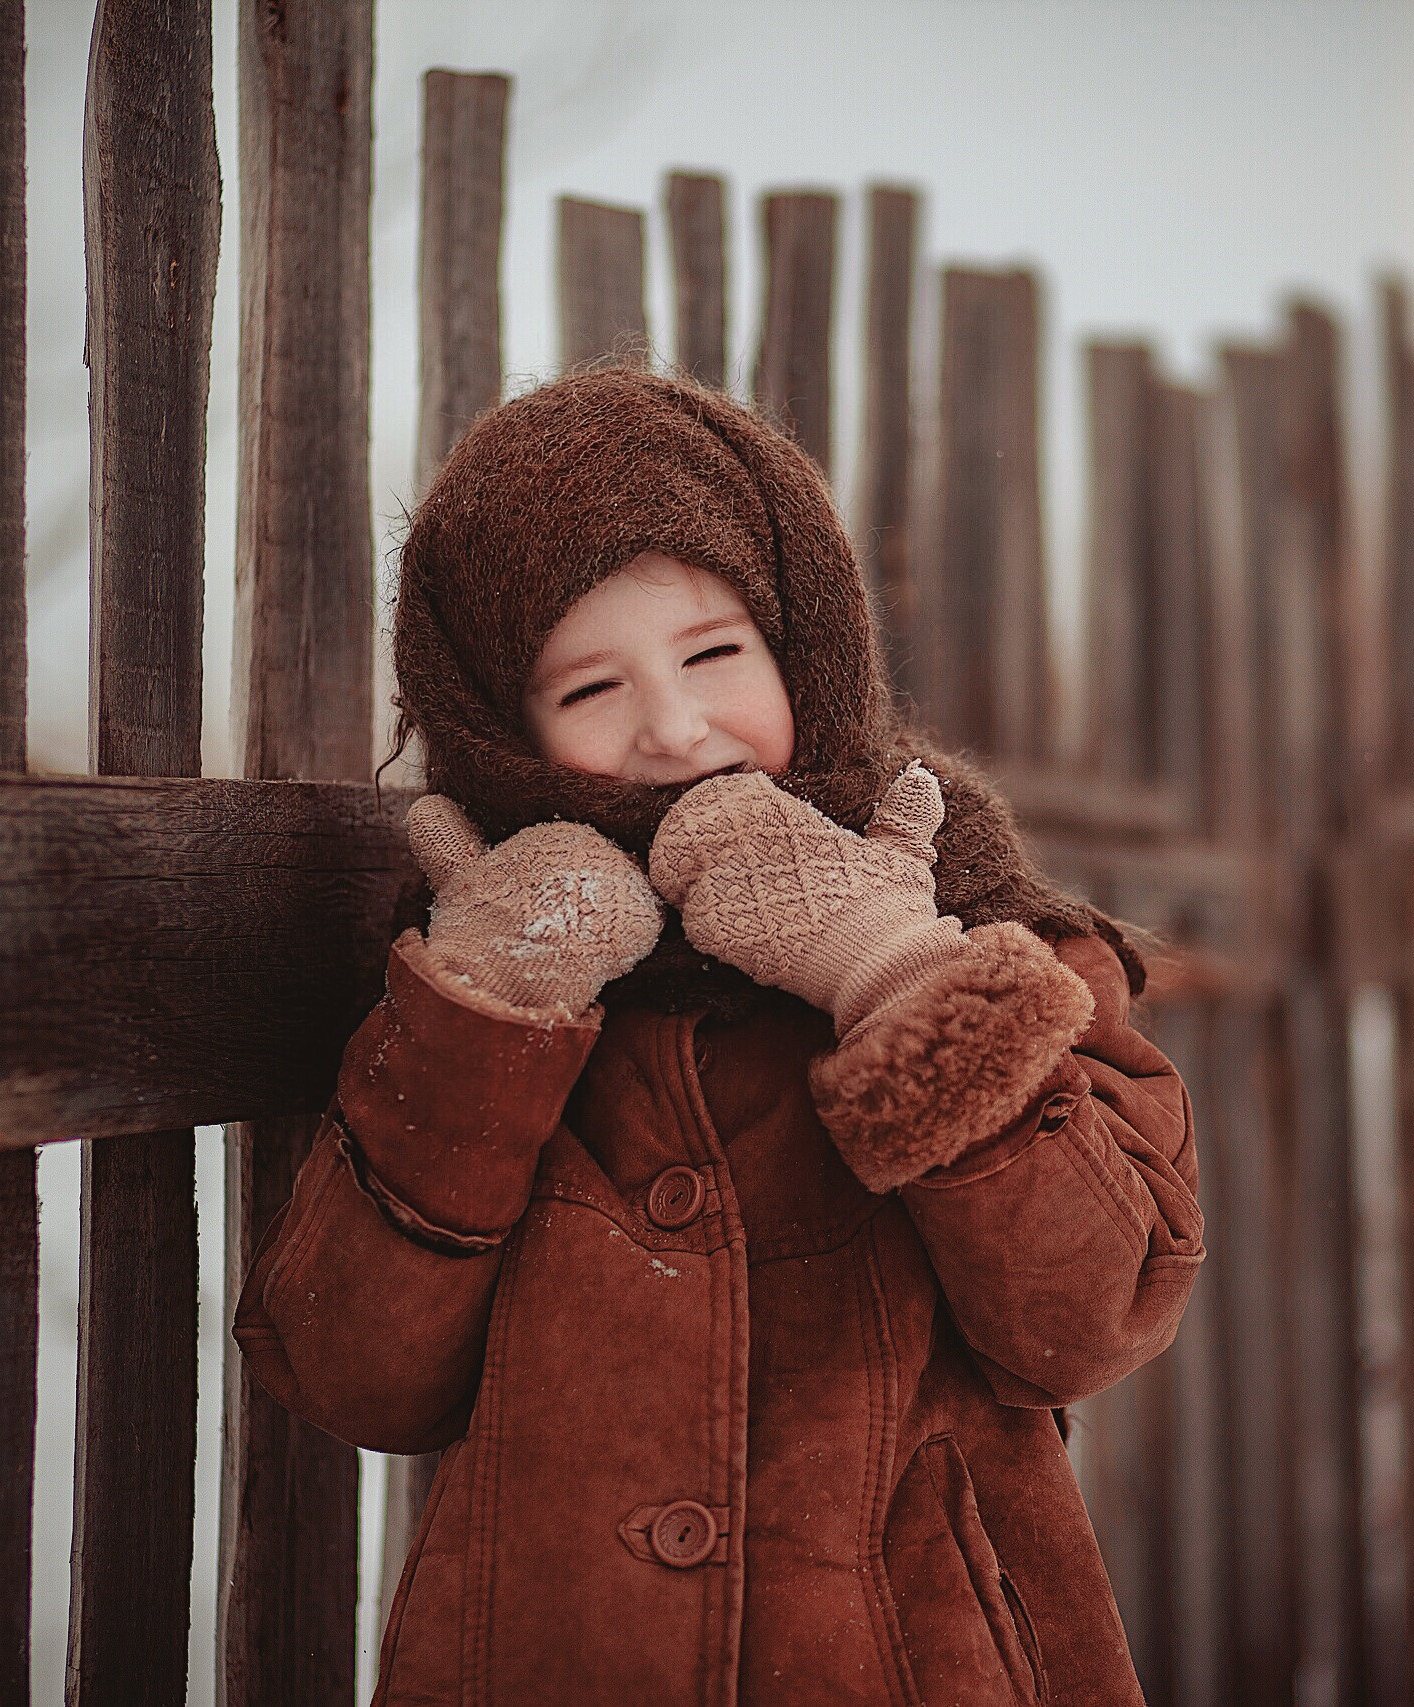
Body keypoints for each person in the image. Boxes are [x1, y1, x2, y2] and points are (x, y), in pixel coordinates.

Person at [232, 366, 1203, 1705]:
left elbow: (1096, 1313)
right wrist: (495, 1008)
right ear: (500, 731)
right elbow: (351, 1376)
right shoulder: (474, 975)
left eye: (711, 655)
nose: (675, 728)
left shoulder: (991, 935)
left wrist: (890, 969)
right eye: (589, 690)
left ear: (803, 641)